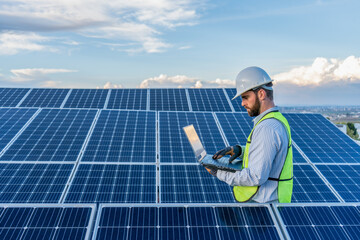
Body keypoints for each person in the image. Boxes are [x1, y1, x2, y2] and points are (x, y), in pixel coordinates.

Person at [207, 66, 293, 203]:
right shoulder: (276, 120)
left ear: (261, 94)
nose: (242, 104)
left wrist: (218, 172)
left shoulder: (267, 128)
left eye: (245, 97)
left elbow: (255, 176)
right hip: (269, 202)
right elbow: (267, 153)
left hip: (263, 205)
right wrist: (239, 151)